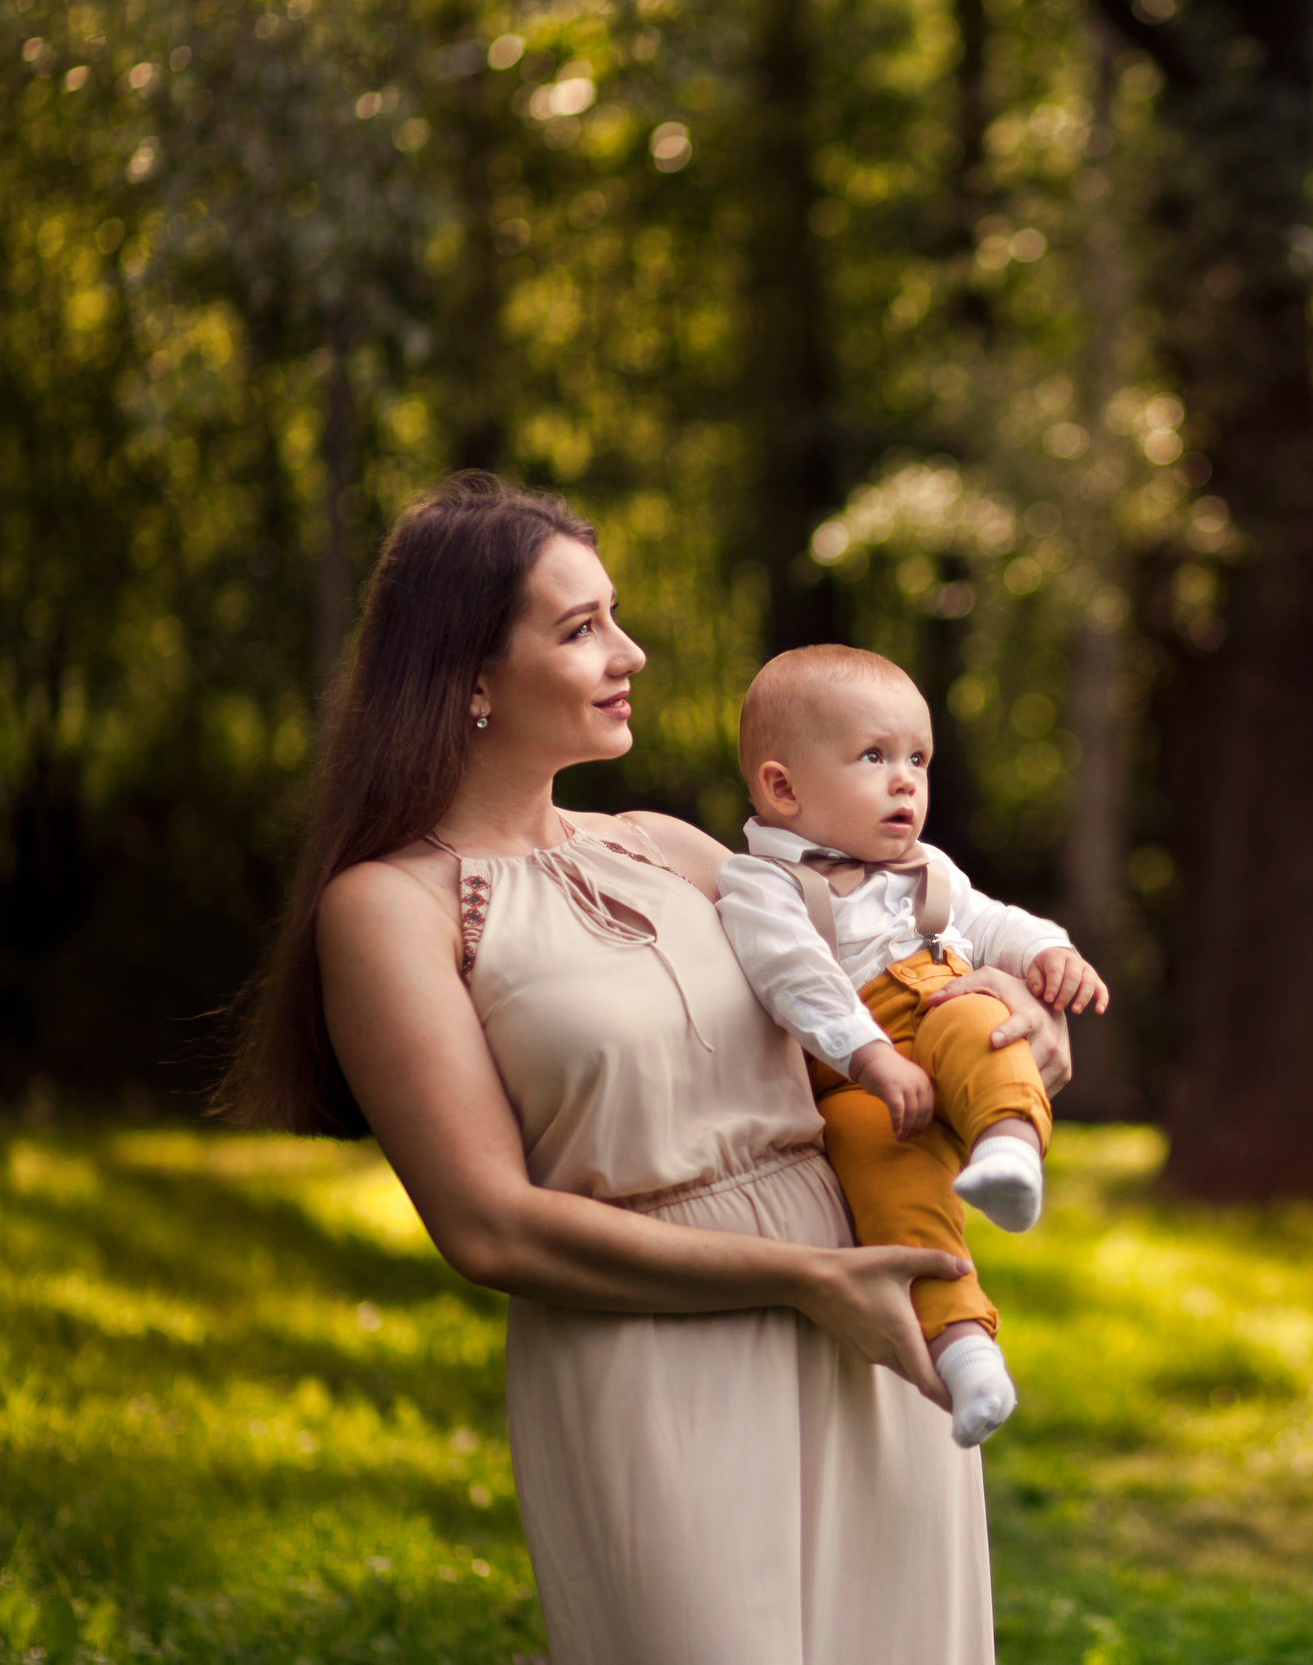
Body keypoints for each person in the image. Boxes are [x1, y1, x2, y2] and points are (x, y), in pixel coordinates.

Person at [215, 473, 1065, 1664]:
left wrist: (1011, 996)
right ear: (467, 676)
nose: (631, 652)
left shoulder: (667, 846)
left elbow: (880, 968)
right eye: (580, 629)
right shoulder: (390, 906)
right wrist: (803, 1279)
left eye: (613, 615)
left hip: (869, 1316)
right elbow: (490, 1227)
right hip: (659, 1357)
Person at [713, 646, 1110, 1448]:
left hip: (938, 1014)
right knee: (886, 1179)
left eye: (917, 760)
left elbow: (994, 922)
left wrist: (1048, 953)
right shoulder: (761, 885)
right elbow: (798, 980)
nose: (905, 782)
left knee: (978, 1018)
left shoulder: (927, 870)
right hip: (855, 1076)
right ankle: (966, 1352)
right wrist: (872, 1058)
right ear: (783, 788)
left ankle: (1009, 1151)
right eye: (874, 757)